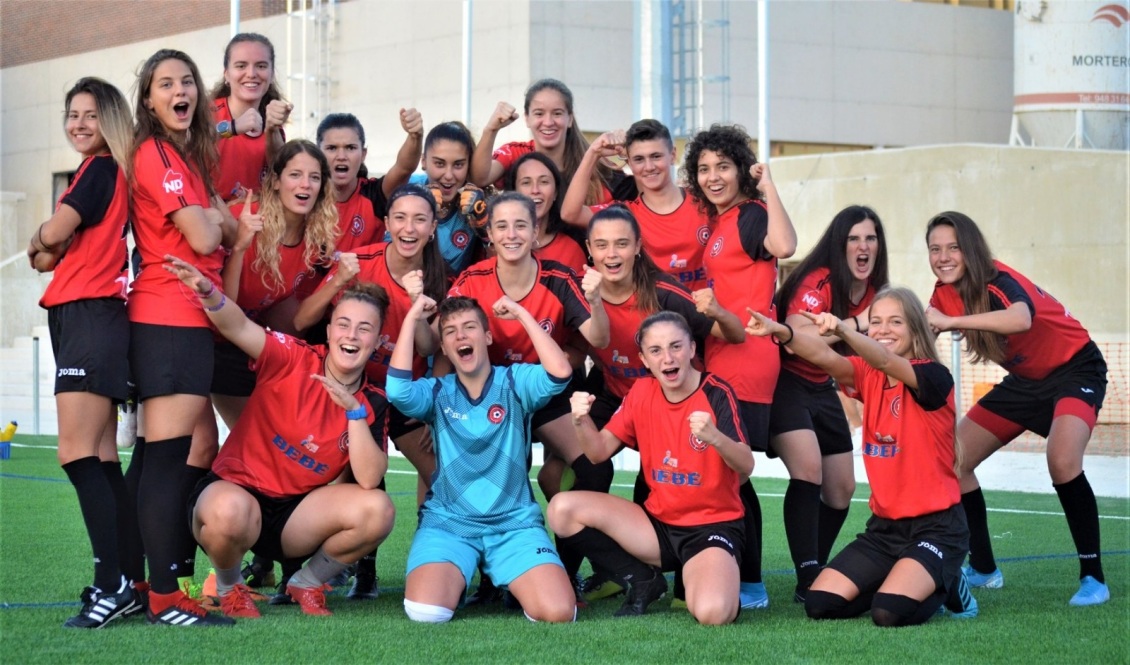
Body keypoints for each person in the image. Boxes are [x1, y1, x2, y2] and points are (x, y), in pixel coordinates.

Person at [164, 256, 395, 621]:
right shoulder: (293, 358)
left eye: (364, 329)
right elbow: (239, 326)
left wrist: (353, 411)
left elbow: (368, 479)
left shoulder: (373, 400)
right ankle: (228, 585)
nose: (352, 335)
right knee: (229, 513)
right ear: (330, 329)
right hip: (236, 495)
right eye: (344, 324)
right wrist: (210, 293)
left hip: (294, 518)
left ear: (378, 340)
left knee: (378, 510)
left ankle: (306, 581)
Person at [746, 288, 978, 626]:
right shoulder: (868, 374)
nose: (883, 330)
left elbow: (884, 360)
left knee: (888, 612)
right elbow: (824, 359)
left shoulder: (933, 376)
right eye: (876, 322)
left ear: (915, 327)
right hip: (885, 530)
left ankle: (949, 580)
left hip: (937, 529)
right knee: (820, 603)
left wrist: (841, 329)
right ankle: (904, 577)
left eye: (895, 322)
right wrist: (782, 332)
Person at [925, 211, 1110, 606]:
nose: (943, 257)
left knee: (1062, 461)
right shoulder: (941, 294)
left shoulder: (996, 279)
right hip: (1025, 384)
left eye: (953, 247)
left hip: (1076, 367)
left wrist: (953, 320)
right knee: (953, 457)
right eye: (935, 249)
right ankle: (985, 569)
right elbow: (914, 327)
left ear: (971, 249)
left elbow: (1021, 318)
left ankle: (1094, 578)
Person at [26, 77, 142, 628]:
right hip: (92, 320)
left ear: (111, 121)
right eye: (71, 114)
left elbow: (52, 235)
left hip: (91, 320)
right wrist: (47, 242)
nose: (78, 123)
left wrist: (44, 233)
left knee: (75, 453)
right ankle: (127, 578)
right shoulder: (100, 173)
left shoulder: (99, 170)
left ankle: (112, 582)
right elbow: (47, 258)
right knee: (98, 458)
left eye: (90, 115)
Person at [548, 311, 753, 625]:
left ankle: (711, 572)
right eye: (656, 351)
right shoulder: (641, 392)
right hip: (656, 527)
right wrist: (580, 420)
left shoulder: (717, 392)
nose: (668, 358)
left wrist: (714, 437)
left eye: (676, 347)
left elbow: (746, 465)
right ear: (644, 358)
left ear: (692, 350)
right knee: (562, 510)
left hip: (710, 529)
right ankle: (643, 578)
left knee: (712, 613)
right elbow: (597, 452)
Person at [387, 295, 577, 623]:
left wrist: (520, 313)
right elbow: (397, 392)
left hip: (513, 524)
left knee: (558, 613)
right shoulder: (437, 392)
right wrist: (412, 316)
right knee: (425, 613)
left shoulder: (516, 382)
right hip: (450, 523)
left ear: (487, 337)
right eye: (450, 332)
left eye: (470, 327)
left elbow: (560, 372)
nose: (461, 336)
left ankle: (506, 574)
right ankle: (456, 578)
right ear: (444, 348)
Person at [127, 48, 234, 626]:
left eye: (187, 80)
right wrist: (212, 217)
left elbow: (233, 230)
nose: (179, 90)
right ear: (148, 99)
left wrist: (216, 218)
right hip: (169, 317)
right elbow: (203, 233)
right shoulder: (155, 152)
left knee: (154, 459)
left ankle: (138, 582)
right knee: (166, 461)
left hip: (185, 320)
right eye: (165, 83)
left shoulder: (188, 160)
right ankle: (163, 594)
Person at [682, 124, 798, 608]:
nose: (713, 176)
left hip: (748, 362)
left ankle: (750, 582)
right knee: (725, 471)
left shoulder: (750, 214)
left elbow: (785, 246)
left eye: (723, 167)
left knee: (734, 472)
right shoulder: (720, 223)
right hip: (722, 358)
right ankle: (734, 575)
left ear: (740, 172)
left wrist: (768, 185)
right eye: (704, 168)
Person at [768, 205, 889, 601]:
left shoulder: (876, 292)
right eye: (854, 238)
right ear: (839, 245)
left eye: (870, 238)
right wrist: (853, 324)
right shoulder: (817, 278)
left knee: (841, 489)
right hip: (783, 381)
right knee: (808, 471)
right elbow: (799, 334)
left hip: (823, 387)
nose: (863, 246)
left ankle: (816, 567)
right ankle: (807, 578)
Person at [213, 139, 338, 428]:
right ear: (276, 182)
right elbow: (222, 304)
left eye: (314, 177)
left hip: (241, 342)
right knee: (248, 437)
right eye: (295, 175)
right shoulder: (246, 217)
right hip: (208, 337)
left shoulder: (314, 238)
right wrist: (241, 246)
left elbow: (286, 321)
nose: (305, 185)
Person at [561, 119, 710, 291]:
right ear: (629, 163)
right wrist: (593, 153)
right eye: (639, 159)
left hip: (706, 314)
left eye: (656, 156)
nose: (649, 167)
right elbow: (570, 214)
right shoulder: (627, 214)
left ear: (673, 155)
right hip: (652, 315)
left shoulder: (705, 201)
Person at [470, 78, 633, 204]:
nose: (548, 122)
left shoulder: (598, 165)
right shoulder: (515, 153)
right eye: (539, 113)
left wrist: (632, 149)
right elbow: (479, 178)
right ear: (527, 118)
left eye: (557, 113)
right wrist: (490, 130)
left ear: (570, 119)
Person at [317, 110, 422, 253]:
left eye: (350, 148)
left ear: (363, 155)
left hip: (364, 276)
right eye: (332, 148)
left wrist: (415, 136)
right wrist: (274, 129)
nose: (341, 156)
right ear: (317, 154)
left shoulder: (374, 195)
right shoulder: (306, 194)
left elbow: (404, 168)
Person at [210, 33, 292, 202]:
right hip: (212, 222)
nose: (251, 73)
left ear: (271, 75)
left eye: (261, 66)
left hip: (256, 223)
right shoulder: (207, 112)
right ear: (226, 74)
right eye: (241, 66)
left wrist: (272, 129)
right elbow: (187, 139)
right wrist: (233, 127)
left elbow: (280, 174)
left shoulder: (272, 123)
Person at [409, 121, 488, 274]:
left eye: (458, 165)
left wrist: (484, 226)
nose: (449, 175)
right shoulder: (408, 188)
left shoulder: (478, 202)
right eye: (439, 164)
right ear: (424, 161)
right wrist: (421, 207)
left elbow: (501, 263)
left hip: (451, 292)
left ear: (469, 165)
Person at [507, 152, 587, 275]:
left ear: (555, 192)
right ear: (514, 192)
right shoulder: (499, 241)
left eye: (544, 182)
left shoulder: (574, 246)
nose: (535, 190)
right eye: (526, 183)